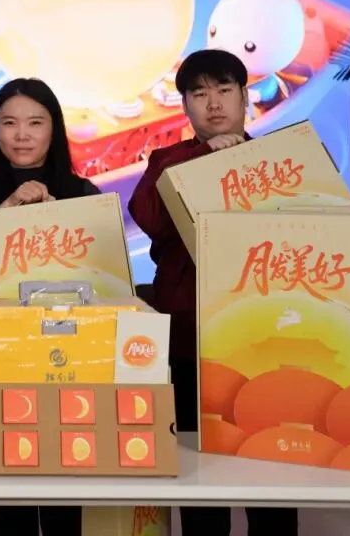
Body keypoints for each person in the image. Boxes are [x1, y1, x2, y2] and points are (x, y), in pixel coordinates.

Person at [127, 49, 298, 536]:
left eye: (224, 90)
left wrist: (239, 162)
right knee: (200, 475)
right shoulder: (167, 161)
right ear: (184, 105)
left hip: (266, 338)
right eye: (199, 93)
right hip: (190, 335)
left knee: (271, 471)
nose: (214, 103)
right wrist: (206, 162)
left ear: (245, 96)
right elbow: (150, 219)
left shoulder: (278, 159)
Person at [0, 77, 97, 536]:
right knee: (7, 481)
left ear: (54, 129)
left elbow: (105, 273)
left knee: (64, 479)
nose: (21, 134)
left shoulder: (83, 192)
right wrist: (12, 205)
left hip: (71, 354)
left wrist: (56, 220)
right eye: (9, 122)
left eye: (35, 122)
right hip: (3, 351)